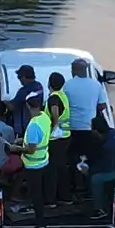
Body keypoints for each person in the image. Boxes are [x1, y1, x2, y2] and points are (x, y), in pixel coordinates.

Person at [7, 91, 54, 228]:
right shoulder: (44, 117)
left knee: (36, 195)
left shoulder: (33, 125)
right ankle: (36, 209)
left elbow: (31, 149)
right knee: (38, 191)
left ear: (28, 106)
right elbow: (38, 139)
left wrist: (16, 148)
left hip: (33, 165)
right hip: (43, 160)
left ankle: (41, 227)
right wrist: (22, 140)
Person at [63, 58, 107, 188]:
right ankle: (88, 185)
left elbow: (63, 104)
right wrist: (91, 108)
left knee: (72, 157)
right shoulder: (96, 85)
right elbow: (103, 105)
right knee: (89, 157)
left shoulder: (68, 85)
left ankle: (74, 183)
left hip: (72, 128)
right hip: (90, 128)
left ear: (74, 70)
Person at [46, 72, 73, 205]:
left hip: (56, 138)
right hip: (66, 135)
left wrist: (53, 127)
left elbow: (55, 112)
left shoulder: (54, 98)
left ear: (49, 83)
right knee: (62, 167)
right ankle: (66, 196)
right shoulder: (63, 95)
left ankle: (51, 200)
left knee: (52, 169)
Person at [11, 64, 43, 136]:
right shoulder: (39, 86)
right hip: (37, 123)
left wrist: (3, 100)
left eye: (19, 77)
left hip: (25, 129)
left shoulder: (24, 91)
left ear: (24, 77)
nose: (19, 79)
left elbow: (12, 107)